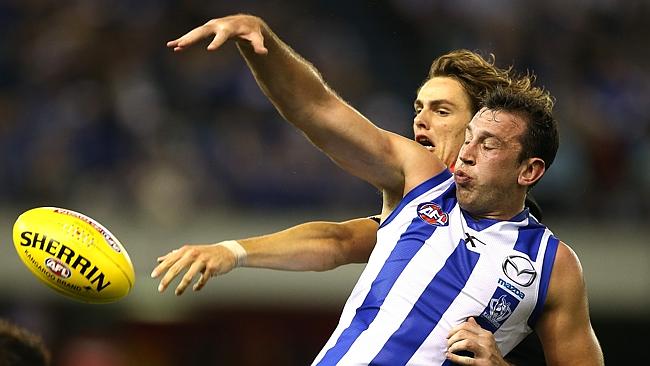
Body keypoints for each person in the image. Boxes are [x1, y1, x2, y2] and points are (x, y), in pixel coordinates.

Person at [154, 14, 604, 365]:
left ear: (528, 169)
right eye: (418, 108)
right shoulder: (423, 186)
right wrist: (261, 43)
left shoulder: (548, 264)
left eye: (443, 111)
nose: (421, 123)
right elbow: (320, 117)